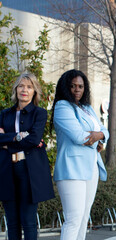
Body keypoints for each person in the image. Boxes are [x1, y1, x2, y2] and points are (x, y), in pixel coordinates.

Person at [51, 69, 109, 240]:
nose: (77, 89)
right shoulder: (62, 107)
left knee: (84, 218)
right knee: (73, 219)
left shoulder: (87, 108)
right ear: (65, 87)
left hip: (91, 168)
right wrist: (98, 137)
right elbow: (79, 137)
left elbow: (105, 131)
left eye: (81, 86)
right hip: (71, 169)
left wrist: (99, 136)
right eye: (73, 86)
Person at [0, 73, 54, 240]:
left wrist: (6, 142)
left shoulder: (39, 113)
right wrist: (17, 137)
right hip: (7, 170)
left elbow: (35, 139)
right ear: (16, 89)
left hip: (29, 171)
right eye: (21, 86)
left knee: (28, 221)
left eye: (29, 87)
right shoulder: (4, 114)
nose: (24, 90)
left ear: (34, 91)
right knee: (12, 222)